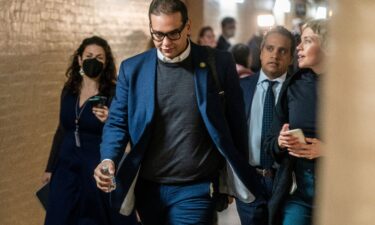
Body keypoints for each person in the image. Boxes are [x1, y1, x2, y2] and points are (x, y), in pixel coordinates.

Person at [93, 0, 264, 225]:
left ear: (188, 27)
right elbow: (117, 122)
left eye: (173, 33)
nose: (165, 43)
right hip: (149, 187)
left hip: (196, 188)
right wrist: (108, 159)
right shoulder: (133, 69)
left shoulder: (218, 63)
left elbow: (236, 123)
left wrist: (234, 176)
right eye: (158, 34)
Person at [43, 36, 137, 225]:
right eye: (89, 55)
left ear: (106, 63)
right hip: (66, 166)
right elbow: (61, 129)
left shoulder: (113, 93)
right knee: (60, 215)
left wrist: (110, 119)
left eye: (100, 58)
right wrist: (50, 168)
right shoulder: (69, 90)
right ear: (79, 59)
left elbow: (126, 134)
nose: (94, 60)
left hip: (95, 167)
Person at [264, 19, 327, 225]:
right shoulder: (294, 85)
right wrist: (280, 141)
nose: (298, 47)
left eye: (307, 41)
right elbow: (270, 143)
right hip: (303, 195)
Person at [236, 26, 295, 225]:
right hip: (249, 179)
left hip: (285, 182)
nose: (275, 55)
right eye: (269, 48)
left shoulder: (297, 92)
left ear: (291, 57)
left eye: (282, 51)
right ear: (260, 52)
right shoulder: (241, 88)